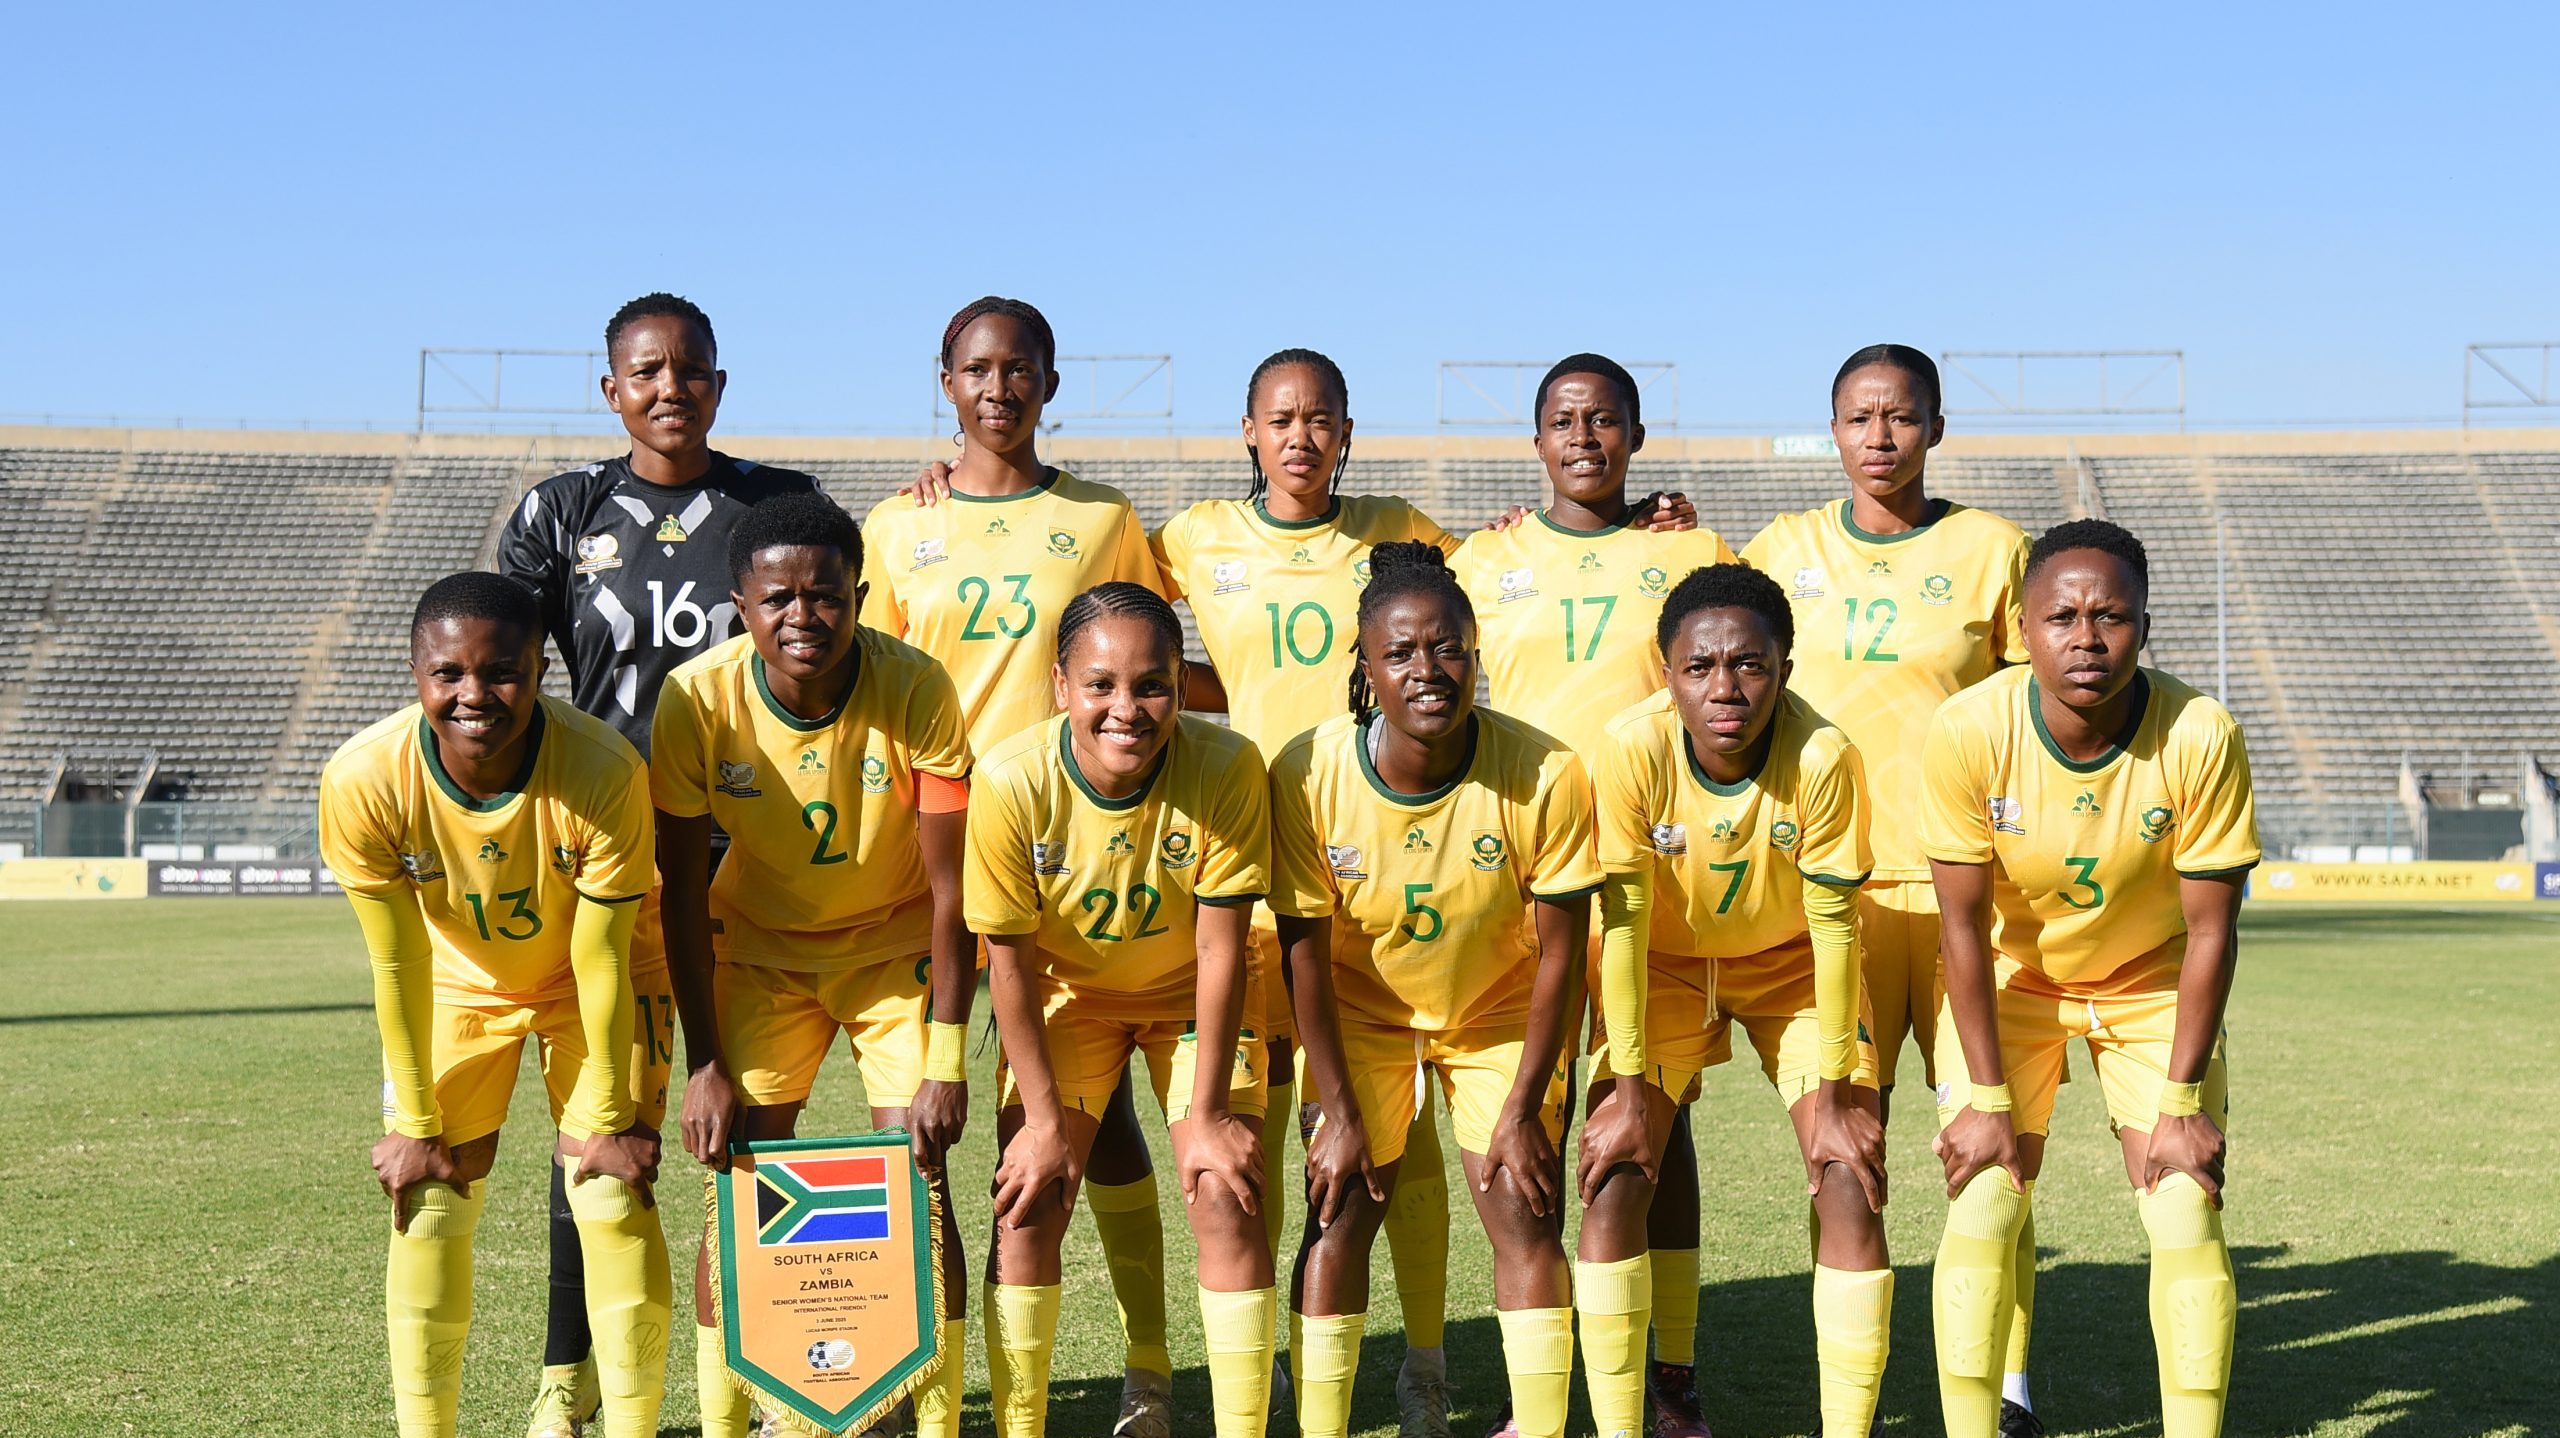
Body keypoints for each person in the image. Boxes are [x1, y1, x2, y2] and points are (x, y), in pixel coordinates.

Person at [860, 296, 1193, 1436]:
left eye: (1019, 369)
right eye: (976, 368)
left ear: (1049, 383)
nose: (997, 388)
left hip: (1072, 853)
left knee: (1081, 1122)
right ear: (945, 380)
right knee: (918, 1120)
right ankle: (905, 1378)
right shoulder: (895, 527)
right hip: (931, 860)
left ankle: (1147, 1366)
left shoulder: (1102, 519)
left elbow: (1151, 655)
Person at [496, 291, 818, 1438]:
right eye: (647, 371)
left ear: (719, 385)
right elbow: (506, 675)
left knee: (756, 1129)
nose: (670, 388)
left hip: (748, 862)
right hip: (612, 867)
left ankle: (770, 1381)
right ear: (611, 389)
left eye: (690, 369)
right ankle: (567, 1377)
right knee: (600, 1132)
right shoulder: (558, 511)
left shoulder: (776, 503)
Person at [1149, 347, 1463, 1433]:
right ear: (1248, 430)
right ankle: (1279, 1362)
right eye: (1280, 418)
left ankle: (1424, 1362)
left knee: (1394, 1127)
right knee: (1263, 1114)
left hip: (1367, 856)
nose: (1300, 436)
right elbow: (1113, 623)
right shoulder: (1194, 537)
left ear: (1346, 431)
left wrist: (1648, 516)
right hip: (1244, 847)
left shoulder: (1400, 530)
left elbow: (1495, 597)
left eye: (1320, 418)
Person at [1742, 343, 2043, 1433]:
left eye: (1901, 416)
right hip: (1837, 906)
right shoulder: (1781, 550)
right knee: (1846, 1155)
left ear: (1935, 428)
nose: (1880, 436)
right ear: (1833, 430)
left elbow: (2035, 718)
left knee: (1992, 1156)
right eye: (1860, 418)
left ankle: (2005, 1391)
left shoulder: (1993, 550)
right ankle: (1853, 1408)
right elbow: (1708, 642)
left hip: (1972, 901)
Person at [1448, 352, 1733, 1436]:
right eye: (1564, 421)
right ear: (1535, 442)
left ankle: (1671, 1370)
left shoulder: (1690, 551)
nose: (1583, 437)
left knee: (1652, 1117)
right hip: (1514, 873)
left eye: (1604, 419)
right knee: (1528, 1110)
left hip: (1645, 873)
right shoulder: (1485, 557)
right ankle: (1541, 1382)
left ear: (1636, 438)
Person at [1922, 520, 2256, 1438]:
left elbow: (2212, 932)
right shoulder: (1969, 728)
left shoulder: (2201, 733)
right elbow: (1960, 925)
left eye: (2111, 616)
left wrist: (2182, 1105)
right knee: (1986, 1195)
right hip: (2013, 980)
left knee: (2184, 1206)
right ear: (2023, 629)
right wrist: (1987, 1100)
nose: (2087, 638)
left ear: (2145, 625)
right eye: (2061, 617)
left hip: (2149, 984)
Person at [650, 494, 975, 1438]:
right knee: (735, 1178)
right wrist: (704, 1063)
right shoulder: (695, 698)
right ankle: (737, 1417)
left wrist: (947, 1058)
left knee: (923, 1178)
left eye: (826, 596)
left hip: (892, 948)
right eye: (778, 599)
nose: (803, 617)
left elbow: (953, 893)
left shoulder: (917, 686)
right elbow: (680, 892)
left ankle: (931, 1418)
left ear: (859, 597)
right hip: (760, 955)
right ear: (739, 605)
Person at [321, 572, 669, 1438]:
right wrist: (413, 1121)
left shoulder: (602, 770)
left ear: (540, 669)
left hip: (593, 984)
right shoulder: (364, 778)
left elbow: (600, 957)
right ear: (416, 672)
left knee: (609, 1192)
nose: (474, 694)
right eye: (449, 673)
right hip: (456, 983)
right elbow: (397, 959)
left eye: (502, 672)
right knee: (429, 1199)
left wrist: (613, 1119)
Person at [1271, 541, 1601, 1438]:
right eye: (1401, 653)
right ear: (1366, 668)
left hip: (1496, 1014)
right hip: (1361, 1017)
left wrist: (1524, 1108)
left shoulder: (1547, 772)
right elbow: (1305, 960)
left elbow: (1562, 958)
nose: (1428, 670)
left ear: (1476, 652)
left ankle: (1538, 1427)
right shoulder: (1307, 773)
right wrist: (1339, 1113)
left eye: (1448, 648)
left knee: (1525, 1208)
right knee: (1337, 1211)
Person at [963, 582, 1278, 1438]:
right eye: (1100, 685)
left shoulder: (1228, 766)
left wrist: (1209, 1115)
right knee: (1028, 1201)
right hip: (1069, 999)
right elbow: (1009, 967)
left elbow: (1221, 950)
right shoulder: (1010, 780)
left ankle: (1223, 1415)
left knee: (1225, 1193)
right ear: (1061, 684)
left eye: (1152, 685)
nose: (1126, 710)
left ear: (1181, 685)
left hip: (1189, 996)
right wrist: (1039, 1124)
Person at [1582, 564, 1890, 1437]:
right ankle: (1633, 1416)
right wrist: (1630, 1091)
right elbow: (1624, 925)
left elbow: (1835, 928)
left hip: (1791, 968)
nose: (1726, 688)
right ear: (1667, 673)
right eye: (1700, 667)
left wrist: (1838, 1097)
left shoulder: (1823, 756)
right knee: (1614, 1175)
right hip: (1664, 967)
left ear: (1784, 667)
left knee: (1849, 1179)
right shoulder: (1632, 748)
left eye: (1750, 665)